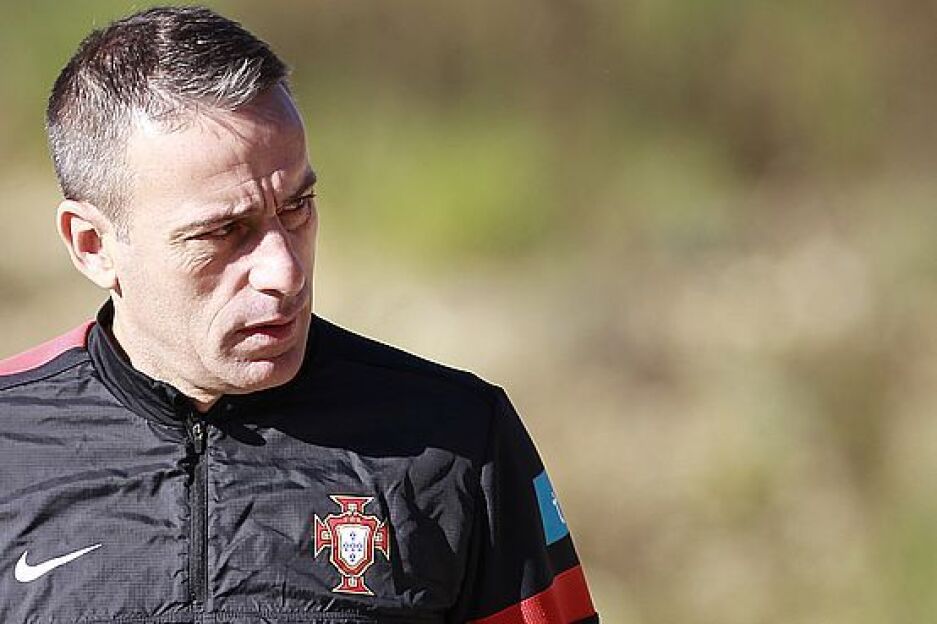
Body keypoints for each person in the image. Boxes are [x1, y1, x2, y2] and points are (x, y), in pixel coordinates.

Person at [0, 6, 598, 623]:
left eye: (297, 207)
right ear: (92, 245)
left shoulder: (458, 437)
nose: (284, 272)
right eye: (224, 231)